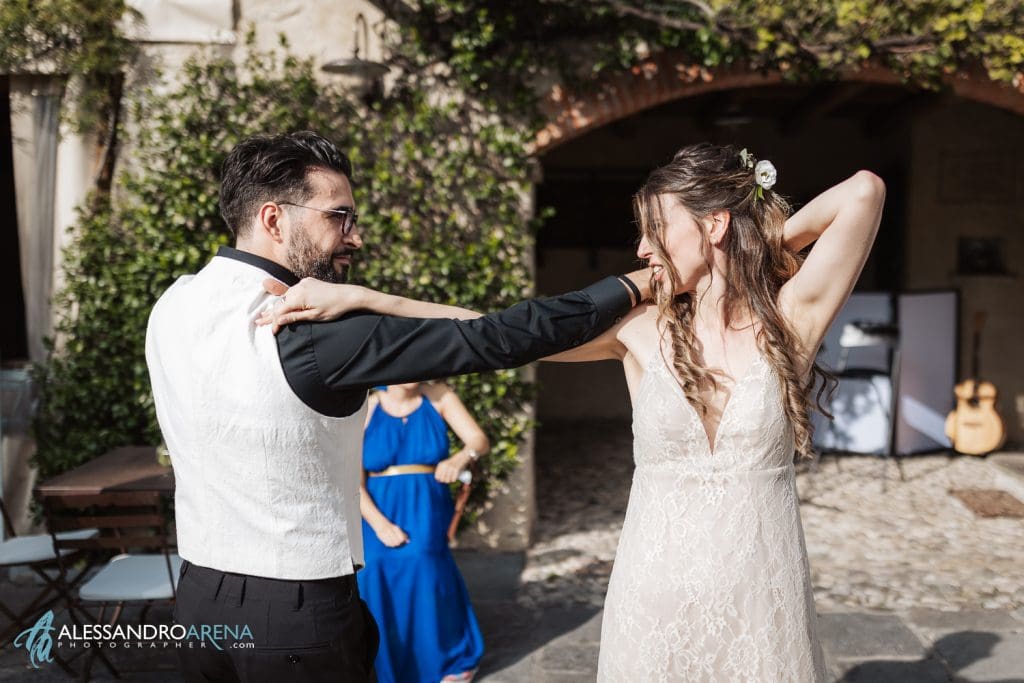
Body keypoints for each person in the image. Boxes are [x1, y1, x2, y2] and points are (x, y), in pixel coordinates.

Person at [267, 143, 885, 682]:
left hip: (762, 600)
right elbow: (491, 333)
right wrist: (363, 298)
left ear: (713, 224)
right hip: (656, 593)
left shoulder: (793, 318)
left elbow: (864, 191)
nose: (642, 248)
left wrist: (751, 250)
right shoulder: (642, 329)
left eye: (656, 229)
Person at [144, 130, 649, 683]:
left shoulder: (173, 304)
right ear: (273, 219)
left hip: (197, 603)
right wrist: (633, 285)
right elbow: (498, 336)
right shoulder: (314, 332)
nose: (354, 237)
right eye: (339, 216)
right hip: (294, 618)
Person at [359, 382, 487, 683]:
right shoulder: (365, 408)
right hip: (377, 509)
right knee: (373, 571)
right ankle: (386, 665)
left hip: (426, 505)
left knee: (424, 564)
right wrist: (380, 524)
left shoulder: (439, 396)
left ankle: (448, 658)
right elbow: (352, 482)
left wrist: (460, 458)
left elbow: (479, 440)